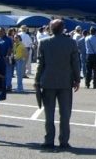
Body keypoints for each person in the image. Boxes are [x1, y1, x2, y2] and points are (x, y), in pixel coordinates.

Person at [34, 19, 80, 150]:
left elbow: (40, 64)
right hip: (65, 82)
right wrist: (77, 79)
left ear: (50, 29)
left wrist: (36, 80)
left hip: (48, 81)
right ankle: (64, 141)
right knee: (65, 114)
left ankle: (49, 140)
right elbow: (75, 63)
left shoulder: (43, 42)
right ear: (63, 29)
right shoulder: (71, 43)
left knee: (49, 114)